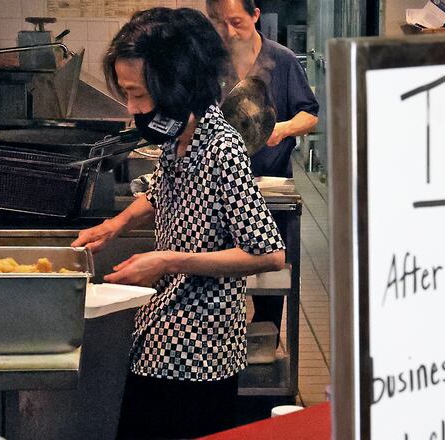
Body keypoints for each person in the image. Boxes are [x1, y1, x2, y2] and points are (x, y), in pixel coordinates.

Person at [71, 7, 286, 439]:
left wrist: (167, 261)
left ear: (176, 85)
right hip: (162, 327)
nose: (131, 108)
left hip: (199, 349)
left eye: (138, 95)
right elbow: (161, 190)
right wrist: (115, 225)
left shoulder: (220, 146)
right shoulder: (177, 136)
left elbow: (268, 253)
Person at [206, 0, 319, 340]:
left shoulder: (281, 59)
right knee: (219, 273)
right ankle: (220, 345)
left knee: (271, 276)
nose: (228, 31)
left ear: (255, 15)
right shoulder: (211, 61)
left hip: (270, 186)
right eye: (219, 22)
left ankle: (266, 341)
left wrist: (281, 129)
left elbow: (310, 114)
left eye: (236, 21)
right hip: (219, 187)